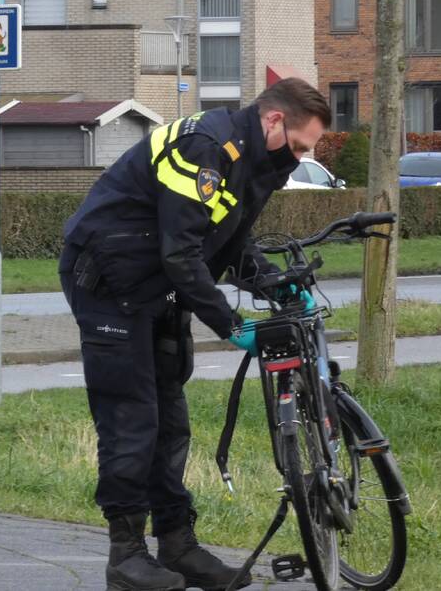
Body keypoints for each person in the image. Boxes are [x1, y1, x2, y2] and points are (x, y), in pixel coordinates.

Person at [59, 78, 331, 591]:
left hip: (157, 286)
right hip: (109, 281)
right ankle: (126, 555)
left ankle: (177, 545)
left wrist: (274, 287)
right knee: (131, 419)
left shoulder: (254, 158)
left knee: (171, 422)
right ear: (274, 120)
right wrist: (231, 326)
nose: (298, 159)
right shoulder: (208, 147)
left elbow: (230, 241)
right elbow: (181, 251)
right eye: (297, 146)